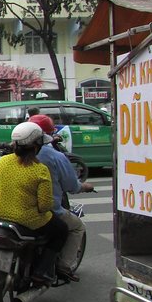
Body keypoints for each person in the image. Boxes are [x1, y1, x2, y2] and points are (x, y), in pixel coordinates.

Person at [0, 122, 68, 283]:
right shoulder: (39, 169)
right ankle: (42, 271)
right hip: (27, 219)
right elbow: (44, 206)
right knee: (62, 230)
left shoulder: (2, 161)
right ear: (36, 146)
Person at [29, 114, 94, 281]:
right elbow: (70, 186)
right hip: (42, 212)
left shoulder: (8, 159)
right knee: (74, 227)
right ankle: (63, 266)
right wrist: (83, 187)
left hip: (14, 209)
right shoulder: (52, 158)